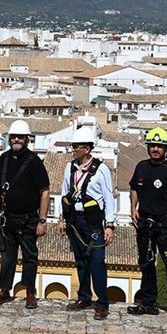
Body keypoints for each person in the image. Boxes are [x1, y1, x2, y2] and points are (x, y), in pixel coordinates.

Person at [127, 126, 167, 325]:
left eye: (159, 146)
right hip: (145, 225)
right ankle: (148, 303)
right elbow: (134, 188)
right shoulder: (141, 167)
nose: (155, 149)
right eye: (152, 145)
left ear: (165, 149)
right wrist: (133, 208)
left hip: (166, 227)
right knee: (146, 264)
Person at [0, 120, 50, 309]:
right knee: (7, 256)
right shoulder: (3, 159)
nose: (16, 140)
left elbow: (45, 191)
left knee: (29, 256)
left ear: (27, 139)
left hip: (28, 219)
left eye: (20, 137)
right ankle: (4, 290)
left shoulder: (34, 162)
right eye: (14, 136)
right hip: (7, 218)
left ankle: (30, 291)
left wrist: (42, 221)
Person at [58, 126, 117, 320]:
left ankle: (102, 303)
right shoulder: (70, 168)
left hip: (93, 222)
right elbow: (64, 192)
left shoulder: (101, 170)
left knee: (97, 262)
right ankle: (84, 296)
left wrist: (110, 225)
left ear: (88, 148)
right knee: (81, 260)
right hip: (74, 220)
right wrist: (61, 218)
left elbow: (108, 197)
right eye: (73, 146)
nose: (74, 149)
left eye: (77, 146)